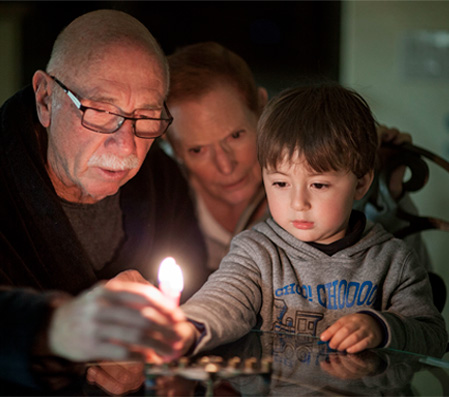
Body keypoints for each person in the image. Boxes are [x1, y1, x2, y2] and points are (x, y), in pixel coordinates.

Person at [0, 10, 207, 396]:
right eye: (101, 112)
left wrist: (155, 358)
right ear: (46, 99)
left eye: (147, 118)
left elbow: (199, 297)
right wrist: (57, 329)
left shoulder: (160, 178)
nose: (127, 145)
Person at [176, 84, 447, 358]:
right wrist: (187, 327)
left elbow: (432, 335)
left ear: (361, 183)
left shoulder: (393, 261)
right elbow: (221, 300)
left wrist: (382, 327)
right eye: (281, 183)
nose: (297, 203)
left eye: (318, 185)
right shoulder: (255, 253)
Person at [165, 41, 431, 272]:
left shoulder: (333, 186)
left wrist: (388, 190)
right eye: (197, 150)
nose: (225, 166)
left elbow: (414, 296)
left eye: (236, 136)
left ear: (261, 107)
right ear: (170, 144)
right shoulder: (165, 204)